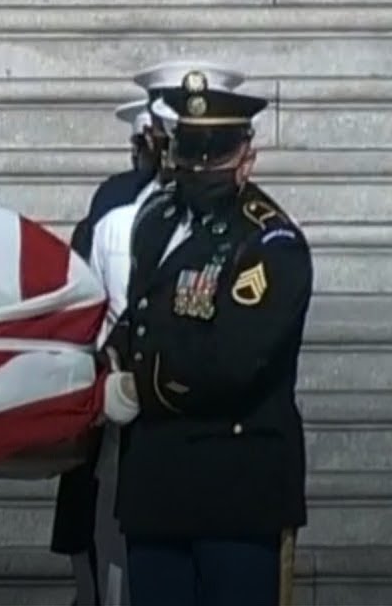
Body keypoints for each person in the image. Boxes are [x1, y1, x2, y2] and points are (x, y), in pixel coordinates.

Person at [99, 69, 312, 606]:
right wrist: (110, 354)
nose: (198, 170)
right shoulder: (156, 219)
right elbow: (143, 312)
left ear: (246, 156)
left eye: (212, 157)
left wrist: (138, 385)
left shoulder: (270, 241)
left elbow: (234, 360)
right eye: (189, 153)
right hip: (157, 482)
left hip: (232, 489)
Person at [52, 62, 247, 606]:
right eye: (182, 143)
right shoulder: (120, 220)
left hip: (216, 444)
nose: (189, 158)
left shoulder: (257, 235)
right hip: (136, 442)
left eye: (209, 147)